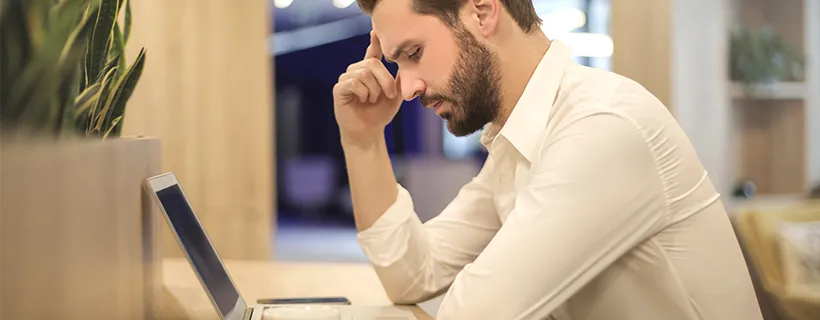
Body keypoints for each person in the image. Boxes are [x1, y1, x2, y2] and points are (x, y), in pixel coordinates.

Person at [331, 0, 764, 319]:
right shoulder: (517, 141)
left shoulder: (602, 125)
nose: (406, 88)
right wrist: (363, 139)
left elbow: (477, 313)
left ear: (482, 12)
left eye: (414, 54)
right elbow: (414, 274)